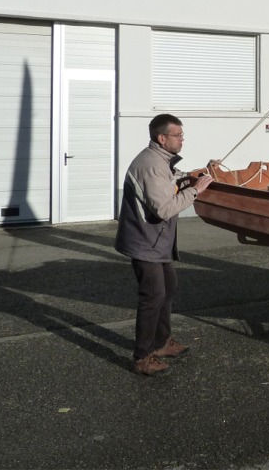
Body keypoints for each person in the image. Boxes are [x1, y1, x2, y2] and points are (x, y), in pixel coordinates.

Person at [115, 113, 213, 376]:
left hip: (156, 241)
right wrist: (196, 190)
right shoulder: (151, 165)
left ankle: (160, 343)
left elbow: (171, 181)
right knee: (153, 296)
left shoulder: (162, 161)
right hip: (144, 241)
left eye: (182, 135)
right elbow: (164, 208)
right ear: (162, 138)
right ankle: (142, 357)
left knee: (168, 287)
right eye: (178, 135)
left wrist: (195, 175)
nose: (182, 139)